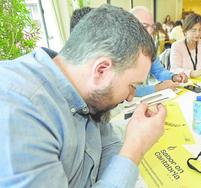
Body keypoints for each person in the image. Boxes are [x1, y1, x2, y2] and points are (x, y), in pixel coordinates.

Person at [0, 5, 167, 187]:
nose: (130, 97)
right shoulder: (20, 111)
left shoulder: (87, 93)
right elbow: (120, 158)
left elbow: (108, 145)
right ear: (102, 70)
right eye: (132, 86)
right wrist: (136, 146)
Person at [130, 6, 188, 97]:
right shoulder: (120, 51)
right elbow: (126, 89)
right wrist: (158, 88)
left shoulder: (149, 46)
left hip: (142, 99)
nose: (150, 31)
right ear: (130, 26)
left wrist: (173, 77)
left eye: (152, 27)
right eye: (145, 26)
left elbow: (159, 71)